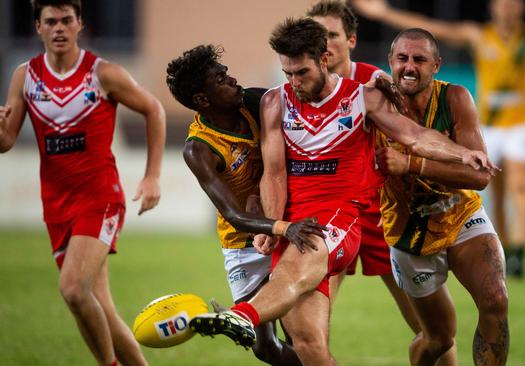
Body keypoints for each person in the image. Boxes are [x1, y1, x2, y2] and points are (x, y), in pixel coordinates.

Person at [189, 17, 497, 366]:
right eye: (287, 73)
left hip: (341, 216)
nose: (294, 82)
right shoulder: (275, 101)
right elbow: (274, 174)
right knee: (308, 345)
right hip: (295, 222)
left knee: (293, 271)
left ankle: (239, 316)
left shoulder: (362, 98)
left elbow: (415, 136)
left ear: (324, 58)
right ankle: (248, 316)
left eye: (301, 72)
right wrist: (274, 226)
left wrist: (464, 153)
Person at [353, 0, 525, 278]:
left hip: (522, 125)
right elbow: (435, 31)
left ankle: (520, 251)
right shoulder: (479, 36)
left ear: (521, 8)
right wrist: (384, 13)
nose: (506, 8)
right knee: (495, 189)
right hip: (490, 127)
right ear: (493, 8)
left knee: (521, 186)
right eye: (501, 3)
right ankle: (507, 247)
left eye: (512, 3)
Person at [0, 1, 166, 365]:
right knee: (100, 308)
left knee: (74, 290)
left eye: (66, 20)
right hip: (56, 205)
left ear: (80, 25)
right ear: (37, 28)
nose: (59, 28)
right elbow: (7, 141)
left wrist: (152, 176)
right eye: (50, 21)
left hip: (100, 198)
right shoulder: (25, 77)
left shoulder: (102, 73)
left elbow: (154, 108)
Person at [166, 44, 331, 365]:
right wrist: (285, 228)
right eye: (220, 79)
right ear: (202, 100)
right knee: (263, 347)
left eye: (226, 73)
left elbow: (312, 101)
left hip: (288, 223)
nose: (232, 80)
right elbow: (233, 215)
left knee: (301, 331)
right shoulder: (199, 149)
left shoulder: (255, 101)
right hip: (243, 241)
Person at [373, 28, 508, 366]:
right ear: (390, 61)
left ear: (436, 65)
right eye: (402, 58)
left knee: (495, 300)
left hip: (460, 213)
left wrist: (411, 164)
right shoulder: (375, 103)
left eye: (420, 59)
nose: (409, 66)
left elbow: (479, 176)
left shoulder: (455, 98)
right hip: (409, 229)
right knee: (439, 339)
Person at [306, 0, 422, 338]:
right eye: (315, 35)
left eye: (331, 35)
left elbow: (411, 136)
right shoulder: (299, 87)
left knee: (430, 328)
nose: (323, 43)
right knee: (310, 330)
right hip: (327, 212)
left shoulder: (377, 82)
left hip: (380, 211)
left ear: (351, 40)